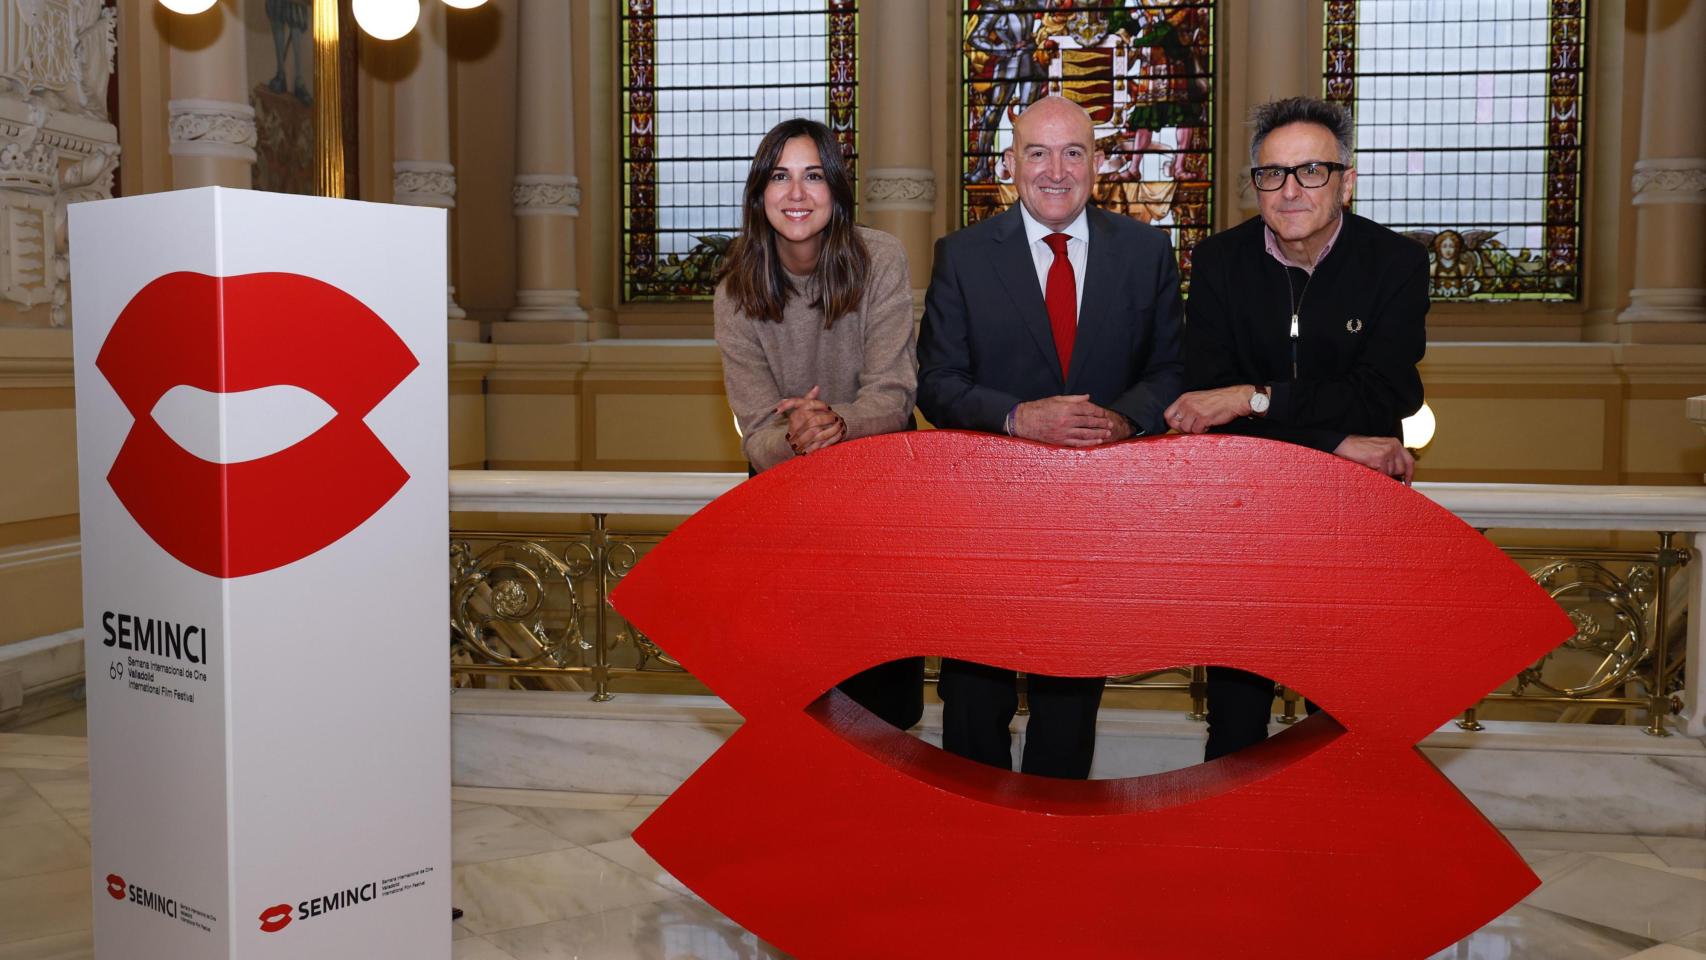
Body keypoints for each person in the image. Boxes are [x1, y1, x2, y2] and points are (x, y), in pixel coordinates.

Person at [917, 95, 1184, 779]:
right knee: (976, 700)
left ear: (1099, 163)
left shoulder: (1147, 251)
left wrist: (1124, 419)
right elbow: (937, 382)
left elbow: (1172, 370)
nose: (1055, 170)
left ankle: (1055, 853)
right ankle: (979, 852)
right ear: (1010, 164)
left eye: (1073, 152)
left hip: (1097, 521)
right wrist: (1019, 418)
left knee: (1070, 704)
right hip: (985, 521)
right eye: (1038, 152)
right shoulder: (964, 256)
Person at [1162, 96, 1427, 761]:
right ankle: (1228, 855)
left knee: (1344, 714)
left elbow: (1387, 392)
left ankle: (1338, 855)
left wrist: (1252, 399)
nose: (1290, 190)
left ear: (1347, 180)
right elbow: (1203, 410)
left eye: (1312, 171)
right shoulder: (1220, 263)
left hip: (1352, 520)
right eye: (1273, 174)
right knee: (1235, 719)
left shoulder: (1394, 265)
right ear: (1255, 184)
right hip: (1246, 518)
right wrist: (1336, 440)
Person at [713, 118, 924, 732]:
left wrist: (832, 422)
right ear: (759, 194)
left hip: (880, 496)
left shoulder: (879, 256)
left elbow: (894, 391)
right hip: (786, 502)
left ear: (836, 189)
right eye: (780, 177)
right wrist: (802, 434)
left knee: (886, 702)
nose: (796, 193)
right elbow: (756, 426)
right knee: (796, 697)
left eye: (813, 176)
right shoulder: (734, 289)